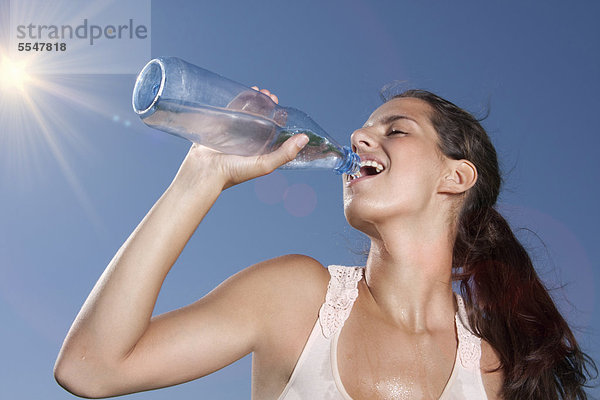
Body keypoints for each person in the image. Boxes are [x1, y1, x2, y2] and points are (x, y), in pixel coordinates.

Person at [54, 88, 596, 399]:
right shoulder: (299, 298)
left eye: (396, 130)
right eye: (363, 128)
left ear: (455, 178)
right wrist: (202, 175)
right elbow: (90, 368)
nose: (360, 137)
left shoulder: (492, 369)